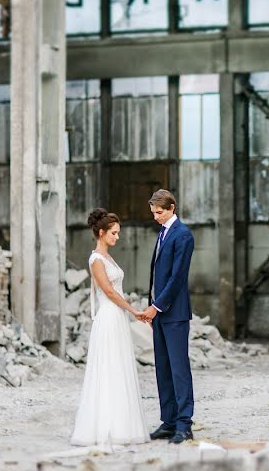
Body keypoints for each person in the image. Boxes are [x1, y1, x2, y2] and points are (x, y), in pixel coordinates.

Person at [70, 208, 149, 447]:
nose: (118, 237)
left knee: (120, 368)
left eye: (118, 233)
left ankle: (122, 425)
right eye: (114, 233)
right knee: (108, 370)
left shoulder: (109, 257)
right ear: (102, 233)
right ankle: (106, 427)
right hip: (108, 317)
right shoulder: (96, 260)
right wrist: (134, 310)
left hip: (117, 319)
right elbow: (110, 292)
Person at [137, 189, 195, 444]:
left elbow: (177, 277)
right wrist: (152, 306)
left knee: (179, 369)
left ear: (172, 208)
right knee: (163, 368)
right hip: (159, 313)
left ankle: (184, 424)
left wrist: (156, 306)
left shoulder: (183, 235)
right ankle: (168, 421)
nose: (155, 217)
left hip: (175, 313)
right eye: (153, 213)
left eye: (159, 213)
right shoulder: (163, 232)